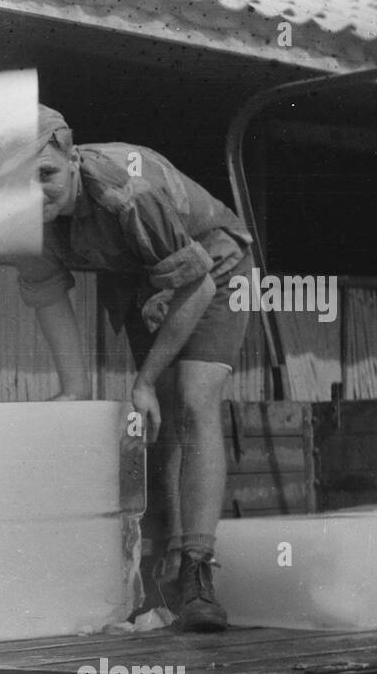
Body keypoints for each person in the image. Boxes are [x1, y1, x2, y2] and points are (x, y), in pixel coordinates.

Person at [16, 106, 254, 634]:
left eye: (46, 175)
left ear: (71, 157)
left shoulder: (127, 188)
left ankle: (197, 572)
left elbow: (199, 287)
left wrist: (143, 379)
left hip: (214, 266)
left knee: (192, 396)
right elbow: (49, 297)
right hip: (148, 275)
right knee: (157, 416)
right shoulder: (22, 218)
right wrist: (72, 389)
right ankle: (165, 568)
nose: (35, 193)